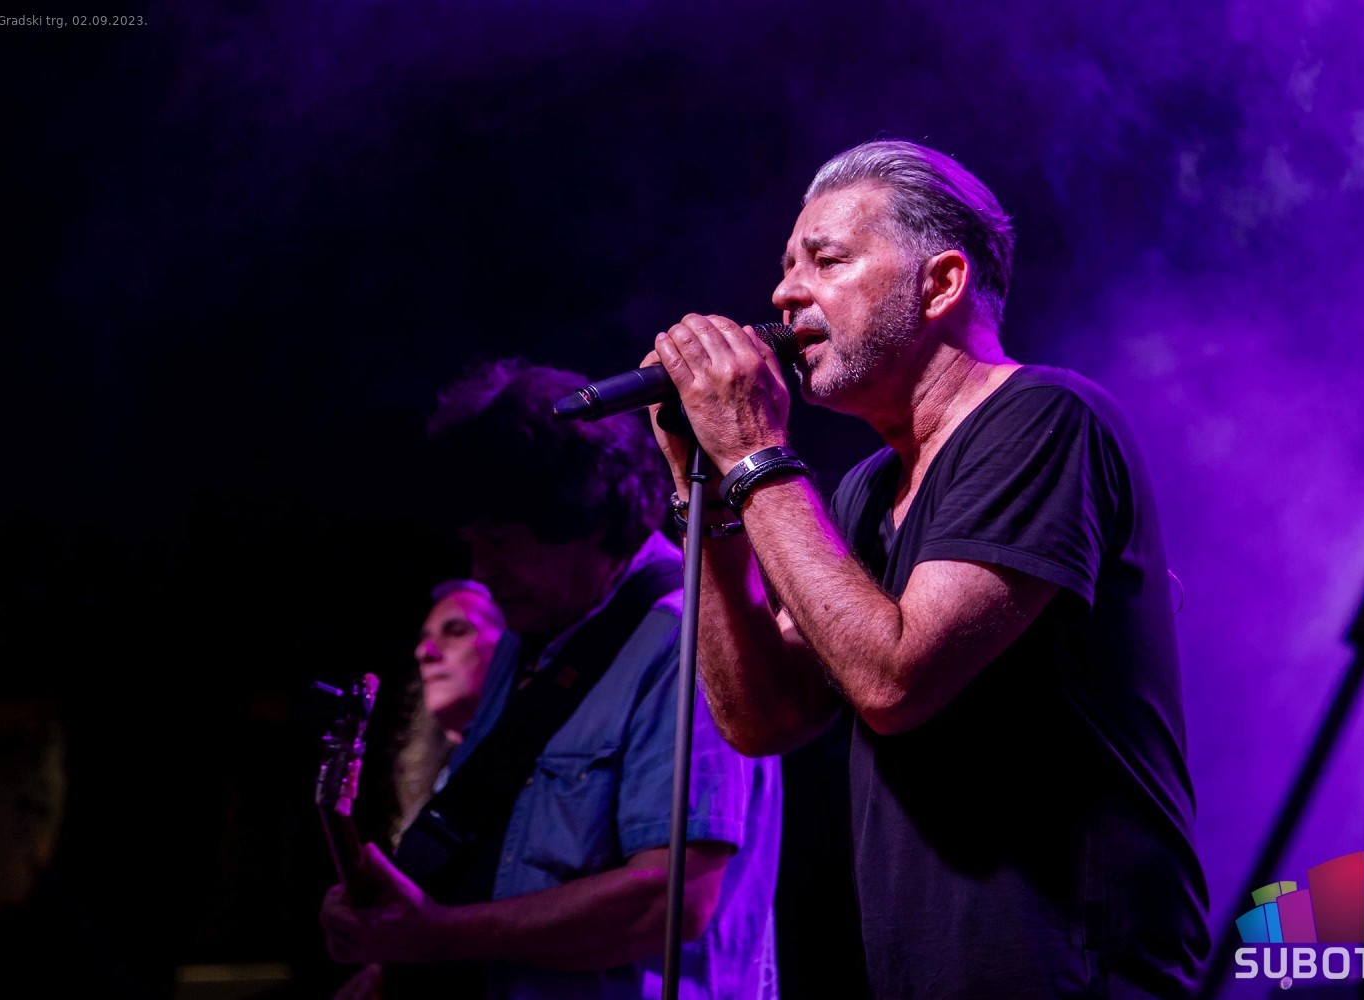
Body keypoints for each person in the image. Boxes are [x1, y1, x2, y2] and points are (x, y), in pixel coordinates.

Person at [644, 139, 1210, 998]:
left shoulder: (1045, 419)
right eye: (787, 266)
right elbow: (766, 718)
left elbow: (893, 680)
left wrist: (754, 451)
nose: (784, 293)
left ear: (940, 285)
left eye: (826, 260)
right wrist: (715, 502)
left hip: (1075, 977)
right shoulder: (866, 492)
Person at [319, 358, 782, 1000]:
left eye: (503, 545)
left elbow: (673, 901)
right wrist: (392, 967)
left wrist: (437, 936)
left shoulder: (686, 638)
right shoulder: (530, 633)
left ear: (590, 524)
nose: (482, 572)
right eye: (473, 545)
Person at [392, 579, 509, 841]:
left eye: (456, 631)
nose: (424, 651)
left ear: (508, 649)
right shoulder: (433, 777)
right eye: (425, 638)